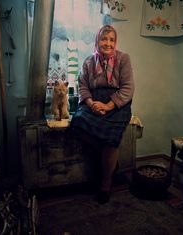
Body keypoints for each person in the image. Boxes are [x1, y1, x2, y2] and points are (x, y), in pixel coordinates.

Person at [70, 24, 134, 204]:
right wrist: (91, 103)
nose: (107, 43)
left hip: (117, 103)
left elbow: (128, 88)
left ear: (115, 42)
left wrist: (108, 106)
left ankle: (105, 183)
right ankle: (110, 163)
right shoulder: (88, 61)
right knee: (77, 123)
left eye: (111, 39)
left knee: (110, 140)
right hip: (94, 102)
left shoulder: (123, 59)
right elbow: (83, 85)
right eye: (103, 39)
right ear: (97, 40)